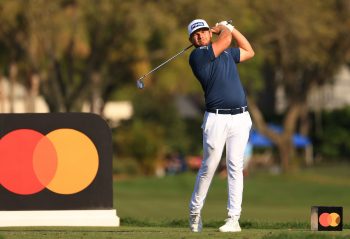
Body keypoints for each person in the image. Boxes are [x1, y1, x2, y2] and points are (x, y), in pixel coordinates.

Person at [187, 19, 255, 232]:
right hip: (216, 119)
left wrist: (233, 28)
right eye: (195, 35)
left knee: (235, 166)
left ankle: (233, 218)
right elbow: (225, 40)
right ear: (192, 40)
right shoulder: (198, 56)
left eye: (203, 32)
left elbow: (249, 51)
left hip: (240, 118)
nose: (200, 36)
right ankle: (195, 212)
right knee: (209, 166)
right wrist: (223, 29)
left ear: (209, 33)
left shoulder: (225, 54)